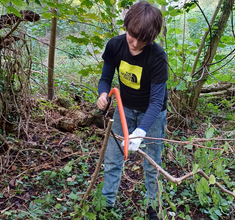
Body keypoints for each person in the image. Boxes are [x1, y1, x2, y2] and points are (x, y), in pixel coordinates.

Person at [97, 1, 168, 219]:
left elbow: (157, 102)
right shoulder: (115, 46)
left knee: (152, 161)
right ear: (126, 27)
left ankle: (152, 207)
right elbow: (106, 78)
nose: (135, 44)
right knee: (112, 158)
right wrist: (102, 94)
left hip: (152, 115)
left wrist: (142, 131)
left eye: (142, 40)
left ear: (152, 38)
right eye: (131, 36)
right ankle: (106, 204)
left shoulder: (157, 57)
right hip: (123, 108)